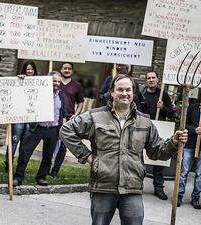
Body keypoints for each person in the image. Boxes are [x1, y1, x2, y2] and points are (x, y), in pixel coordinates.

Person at [59, 74, 188, 225]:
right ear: (112, 92)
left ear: (133, 93)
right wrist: (87, 157)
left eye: (129, 90)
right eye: (120, 89)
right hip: (103, 186)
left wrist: (173, 142)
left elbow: (157, 151)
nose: (125, 93)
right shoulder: (95, 116)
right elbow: (66, 130)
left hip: (132, 187)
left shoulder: (144, 121)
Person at [13, 71, 66, 186]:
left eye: (58, 81)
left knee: (48, 156)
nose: (56, 83)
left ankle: (41, 177)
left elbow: (62, 113)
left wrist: (61, 129)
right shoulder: (39, 91)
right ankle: (18, 177)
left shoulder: (61, 96)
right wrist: (23, 79)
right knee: (25, 153)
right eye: (54, 81)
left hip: (52, 129)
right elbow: (24, 91)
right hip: (37, 128)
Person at [140, 71, 174, 200]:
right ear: (146, 81)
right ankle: (137, 185)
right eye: (148, 78)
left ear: (157, 80)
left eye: (153, 77)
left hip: (158, 131)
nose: (151, 80)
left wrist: (163, 107)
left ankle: (158, 188)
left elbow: (171, 113)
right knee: (140, 159)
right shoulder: (141, 94)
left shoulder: (163, 95)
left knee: (159, 162)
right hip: (143, 129)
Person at [50, 62, 84, 177]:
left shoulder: (77, 86)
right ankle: (46, 167)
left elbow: (80, 103)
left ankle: (55, 171)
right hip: (54, 116)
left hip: (69, 117)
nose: (67, 70)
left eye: (69, 69)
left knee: (63, 145)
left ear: (72, 71)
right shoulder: (55, 81)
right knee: (51, 143)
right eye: (65, 68)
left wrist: (76, 114)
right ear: (61, 69)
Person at [4, 60, 37, 171]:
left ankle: (20, 166)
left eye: (32, 69)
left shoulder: (38, 82)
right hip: (18, 116)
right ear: (24, 70)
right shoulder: (20, 79)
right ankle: (8, 163)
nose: (30, 71)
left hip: (30, 118)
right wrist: (18, 80)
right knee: (14, 141)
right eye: (28, 69)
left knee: (25, 143)